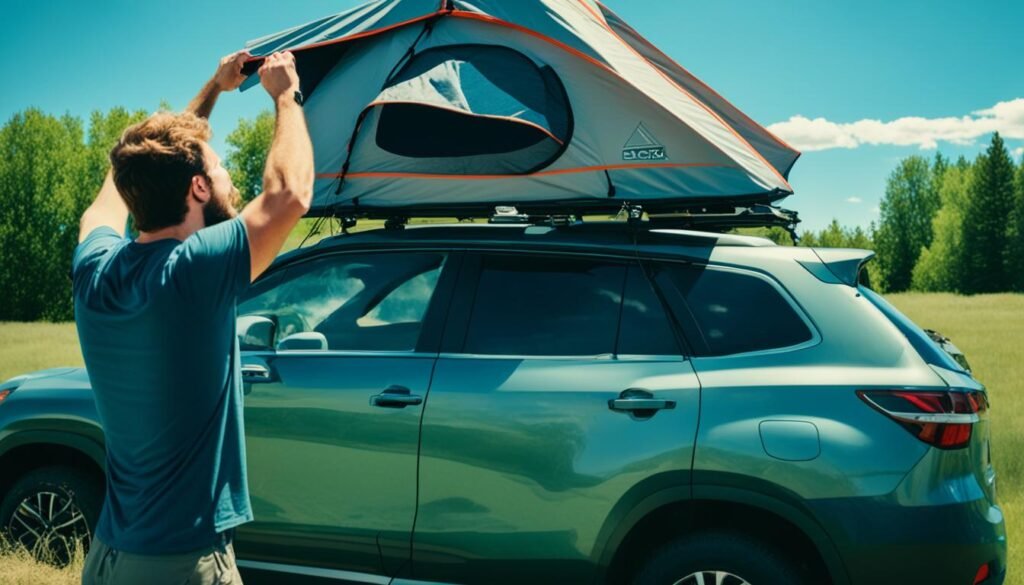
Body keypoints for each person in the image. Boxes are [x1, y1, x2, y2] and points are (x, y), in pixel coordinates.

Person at [74, 49, 313, 585]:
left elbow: (134, 172)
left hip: (110, 558)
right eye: (220, 169)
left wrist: (214, 88)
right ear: (199, 188)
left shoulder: (95, 270)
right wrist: (286, 96)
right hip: (180, 564)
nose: (230, 181)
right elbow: (290, 194)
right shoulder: (192, 273)